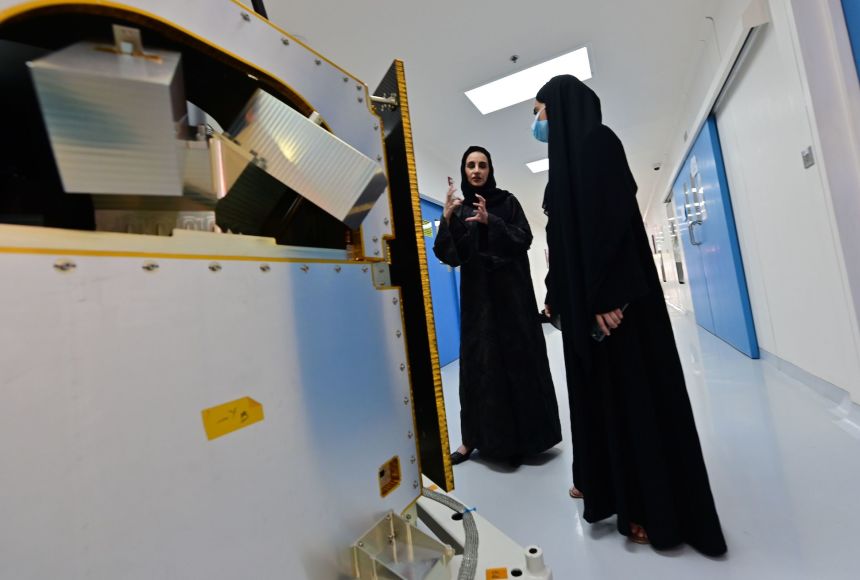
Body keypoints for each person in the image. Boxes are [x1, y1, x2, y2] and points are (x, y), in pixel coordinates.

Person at [534, 75, 727, 556]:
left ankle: (648, 506)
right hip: (585, 312)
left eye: (539, 112)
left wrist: (610, 298)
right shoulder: (561, 172)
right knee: (596, 401)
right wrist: (557, 296)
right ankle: (601, 484)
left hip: (614, 308)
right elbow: (562, 245)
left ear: (560, 108)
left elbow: (616, 223)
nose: (536, 123)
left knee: (632, 403)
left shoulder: (599, 142)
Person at [433, 146, 562, 468]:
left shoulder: (508, 202)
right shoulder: (460, 211)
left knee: (520, 364)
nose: (476, 171)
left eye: (482, 165)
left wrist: (492, 222)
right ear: (464, 171)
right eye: (470, 165)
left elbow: (524, 239)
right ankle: (472, 440)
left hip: (513, 300)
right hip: (479, 304)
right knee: (480, 368)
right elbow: (449, 256)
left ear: (490, 169)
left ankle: (527, 439)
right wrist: (447, 218)